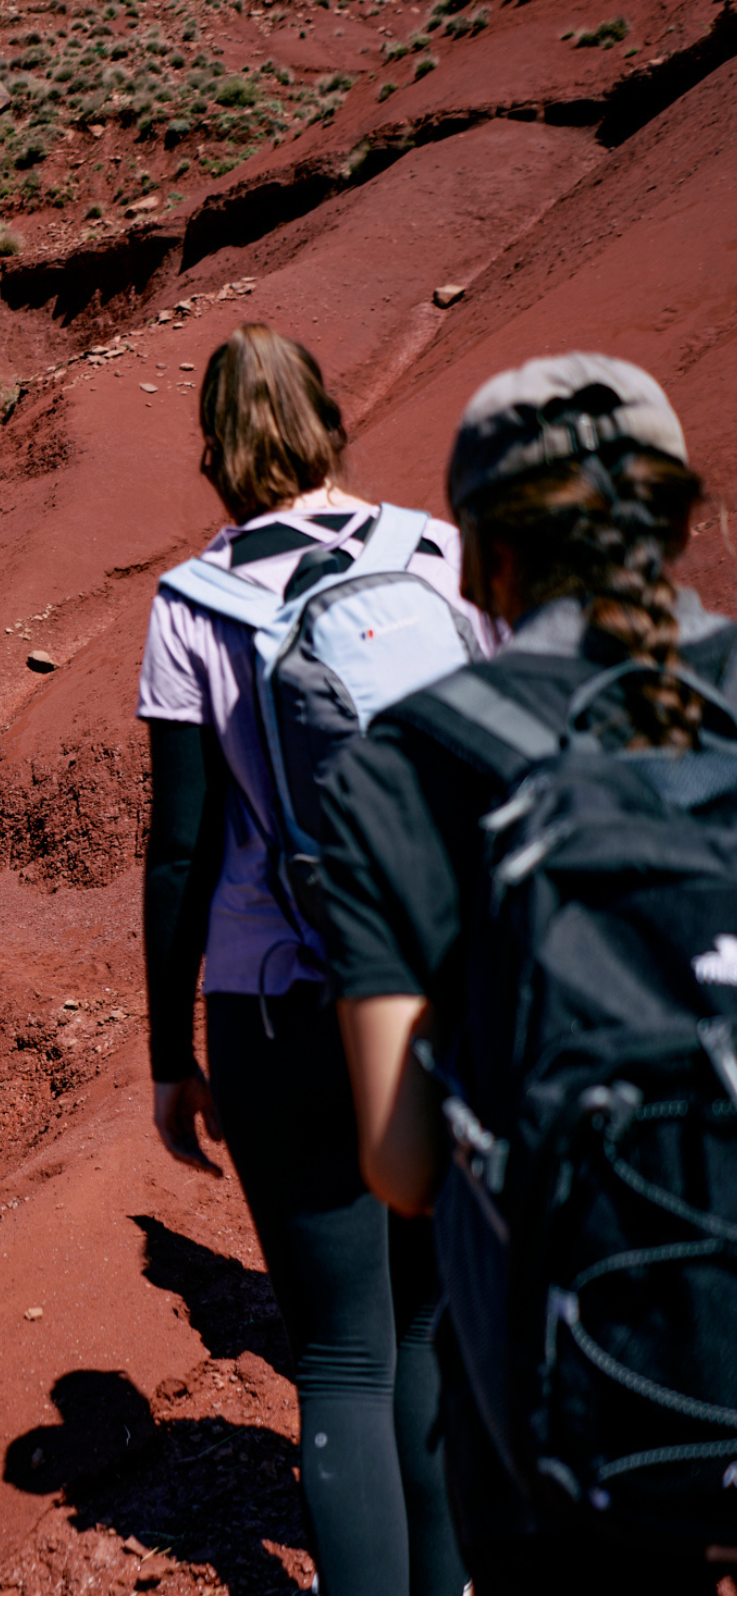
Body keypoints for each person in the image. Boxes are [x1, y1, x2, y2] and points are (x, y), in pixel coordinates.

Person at [321, 354, 737, 1592]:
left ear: (484, 553)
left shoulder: (406, 766)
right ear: (674, 519)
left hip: (580, 1413)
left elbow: (399, 1165)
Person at [137, 324, 493, 1593]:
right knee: (432, 1323)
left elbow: (179, 851)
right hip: (446, 986)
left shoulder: (189, 604)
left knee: (342, 1353)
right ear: (329, 417)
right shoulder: (441, 554)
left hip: (279, 1001)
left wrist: (172, 1056)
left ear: (214, 448)